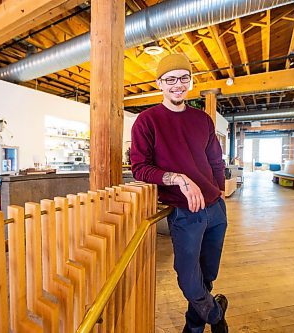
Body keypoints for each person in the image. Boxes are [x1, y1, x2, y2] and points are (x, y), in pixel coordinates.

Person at [130, 53, 228, 333]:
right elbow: (140, 168)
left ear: (191, 81)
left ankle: (193, 329)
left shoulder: (203, 120)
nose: (178, 84)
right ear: (159, 83)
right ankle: (215, 314)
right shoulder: (146, 121)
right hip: (186, 213)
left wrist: (219, 191)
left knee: (207, 275)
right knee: (188, 278)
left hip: (215, 210)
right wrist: (177, 178)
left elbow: (215, 160)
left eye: (184, 78)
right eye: (170, 79)